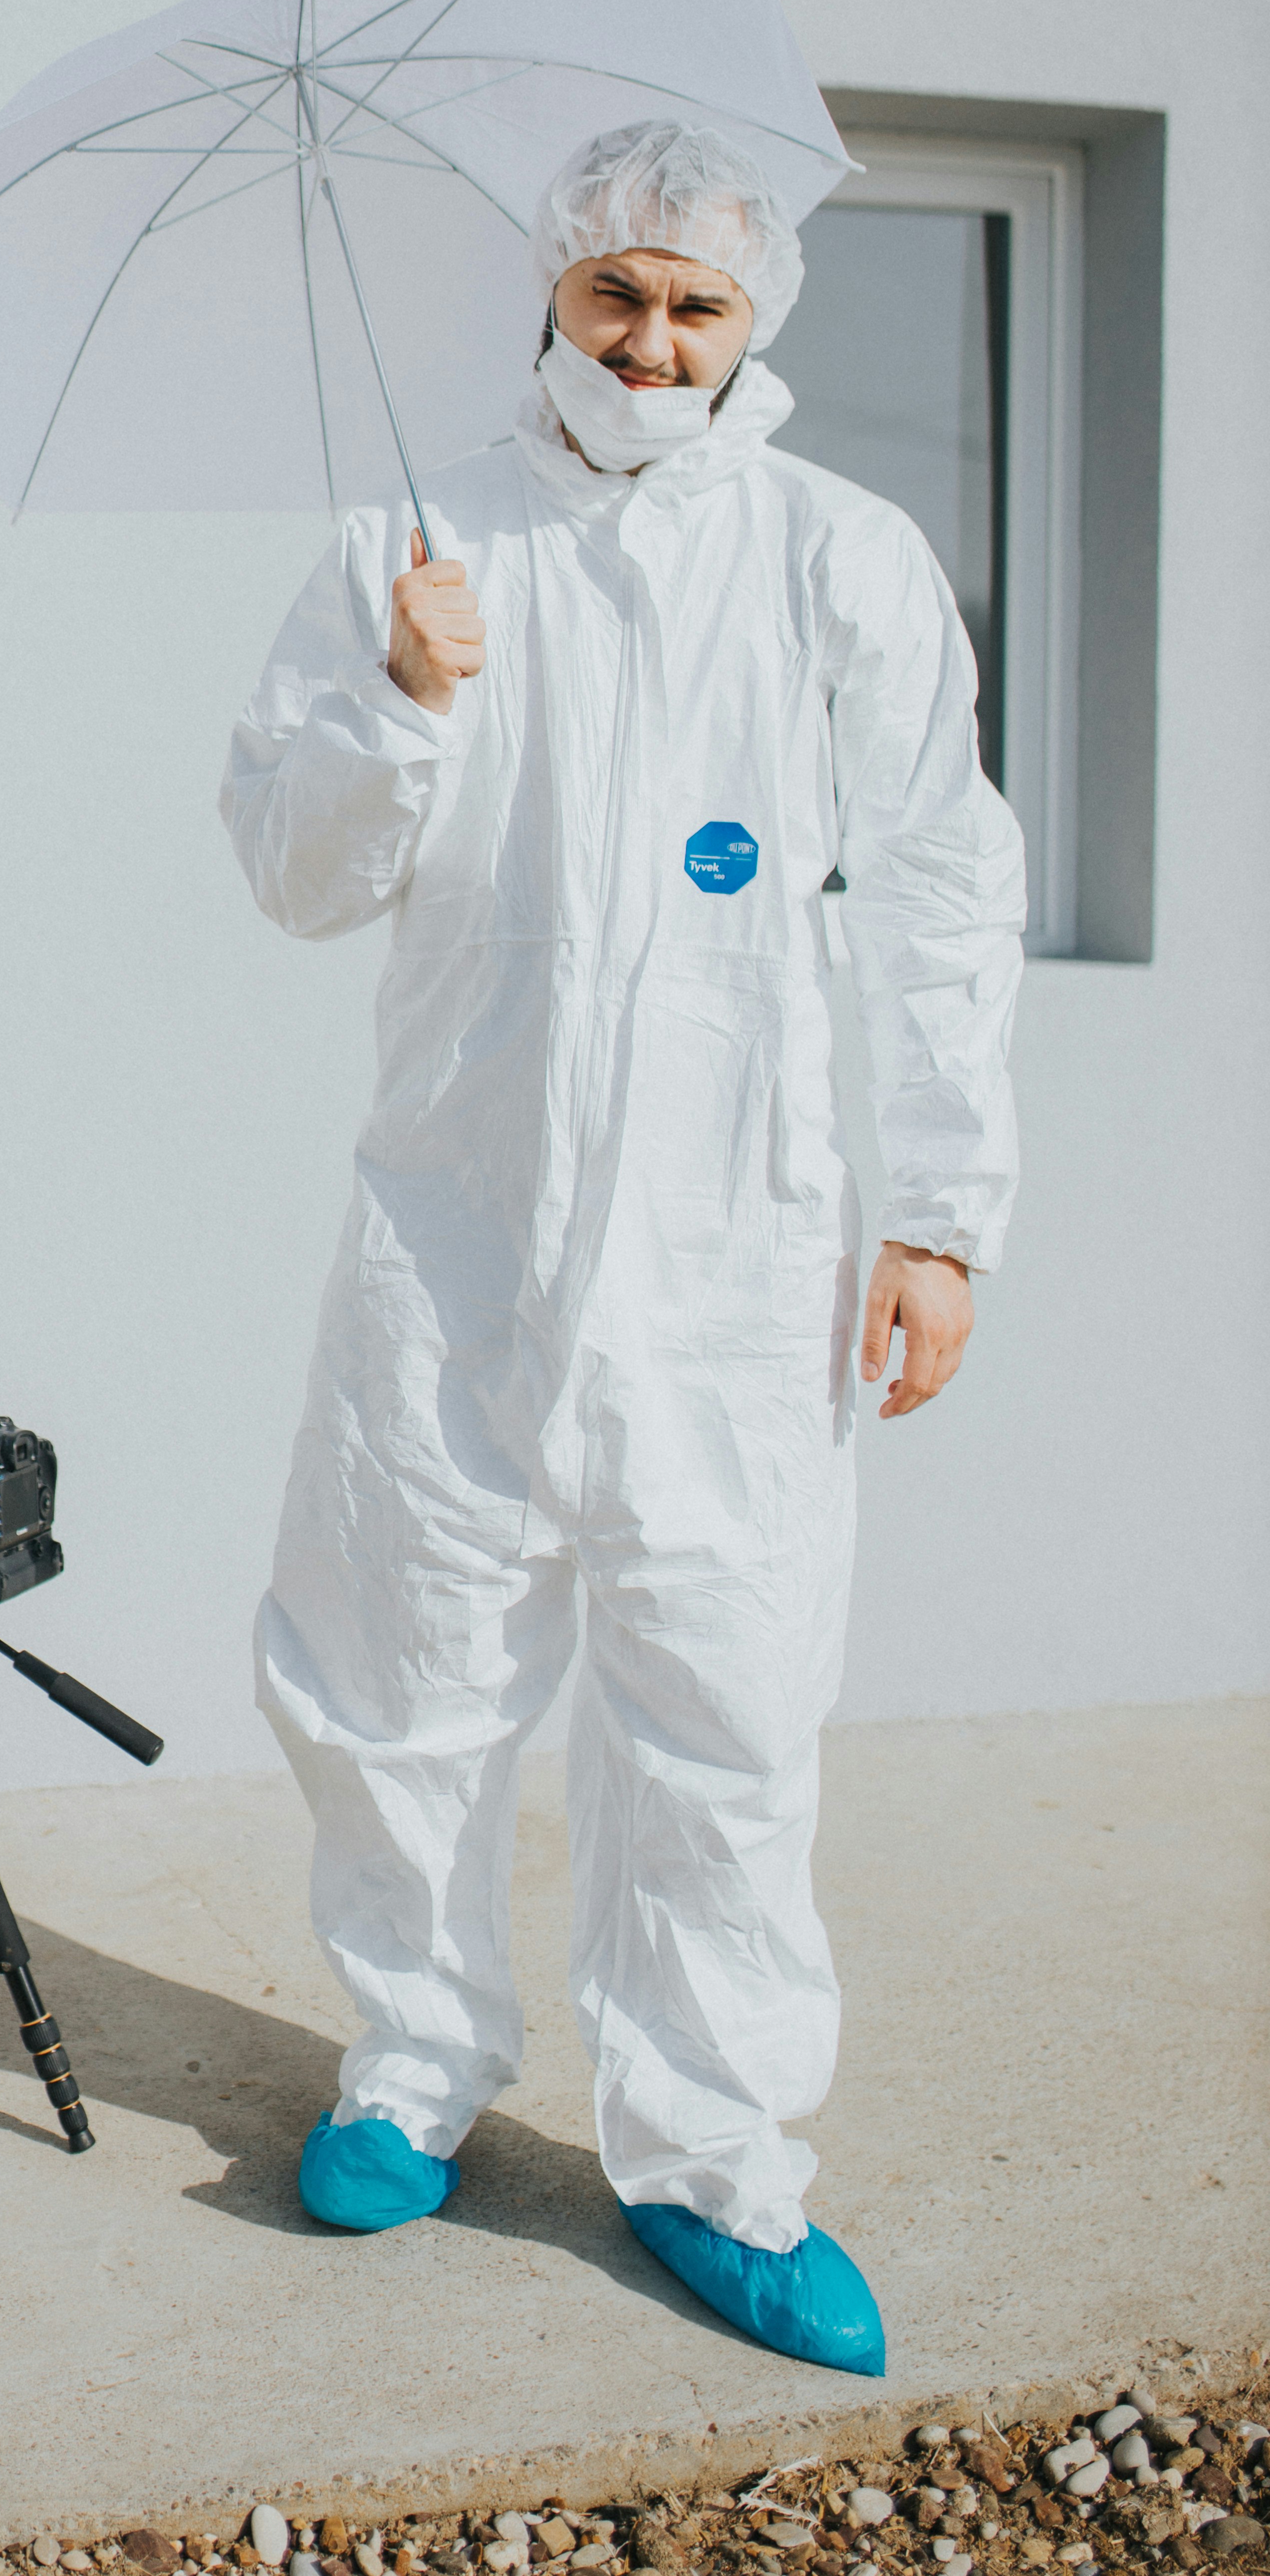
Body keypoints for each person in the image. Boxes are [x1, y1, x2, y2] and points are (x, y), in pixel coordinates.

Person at [218, 118, 1025, 2375]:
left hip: (734, 1245)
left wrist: (937, 1216)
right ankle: (410, 2064)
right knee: (396, 1676)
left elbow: (943, 895)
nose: (651, 341)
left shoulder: (840, 559)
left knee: (726, 1711)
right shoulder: (417, 538)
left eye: (694, 303)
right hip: (454, 1226)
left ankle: (716, 2166)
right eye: (615, 298)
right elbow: (291, 872)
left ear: (752, 315)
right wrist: (401, 697)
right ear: (552, 301)